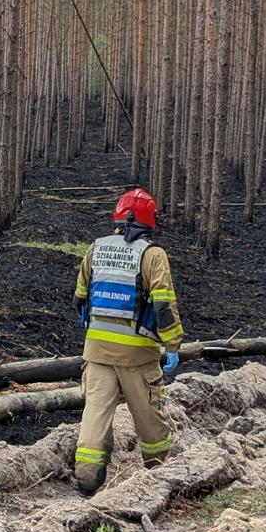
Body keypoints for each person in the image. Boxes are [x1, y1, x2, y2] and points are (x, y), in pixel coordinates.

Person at [70, 187, 184, 496]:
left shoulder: (96, 248)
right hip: (138, 354)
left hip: (96, 351)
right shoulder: (152, 254)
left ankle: (87, 476)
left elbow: (80, 297)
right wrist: (173, 346)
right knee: (148, 415)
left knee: (94, 413)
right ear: (150, 220)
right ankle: (159, 471)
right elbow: (163, 304)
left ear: (118, 218)